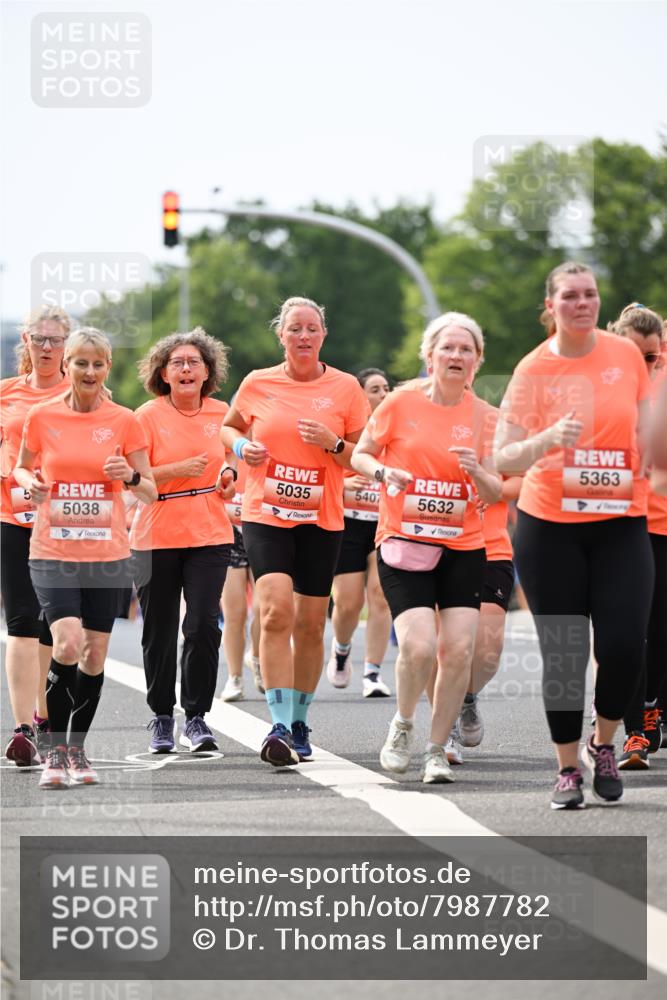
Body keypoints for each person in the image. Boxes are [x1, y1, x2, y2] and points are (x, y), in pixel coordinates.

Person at [494, 262, 653, 810]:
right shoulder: (533, 369)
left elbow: (647, 419)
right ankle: (566, 769)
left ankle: (603, 743)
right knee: (564, 653)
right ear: (551, 305)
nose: (582, 303)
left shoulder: (625, 354)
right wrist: (546, 439)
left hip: (620, 522)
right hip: (550, 526)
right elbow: (504, 454)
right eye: (570, 296)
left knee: (625, 646)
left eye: (589, 294)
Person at [351, 312, 501, 784]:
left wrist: (478, 473)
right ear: (429, 355)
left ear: (477, 361)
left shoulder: (486, 418)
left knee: (457, 650)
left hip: (464, 545)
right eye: (448, 348)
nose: (456, 356)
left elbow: (496, 491)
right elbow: (360, 452)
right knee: (419, 645)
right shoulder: (399, 402)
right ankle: (403, 724)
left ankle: (437, 748)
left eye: (466, 350)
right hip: (404, 541)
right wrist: (382, 473)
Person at [221, 296, 369, 765]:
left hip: (321, 519)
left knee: (309, 623)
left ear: (323, 335)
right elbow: (227, 428)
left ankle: (301, 719)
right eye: (294, 329)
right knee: (273, 613)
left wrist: (334, 443)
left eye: (311, 328)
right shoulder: (258, 382)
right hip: (266, 514)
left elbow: (361, 457)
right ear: (281, 335)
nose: (303, 336)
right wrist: (242, 447)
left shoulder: (346, 389)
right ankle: (279, 723)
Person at [14, 328, 156, 788]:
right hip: (52, 550)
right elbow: (20, 464)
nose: (89, 371)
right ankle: (54, 751)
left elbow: (151, 490)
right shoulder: (41, 416)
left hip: (108, 555)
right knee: (68, 642)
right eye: (81, 363)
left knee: (94, 655)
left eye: (97, 364)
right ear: (67, 365)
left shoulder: (125, 420)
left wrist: (130, 475)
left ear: (107, 368)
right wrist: (29, 482)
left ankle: (76, 749)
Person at [130, 328, 236, 753]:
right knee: (158, 629)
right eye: (178, 363)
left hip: (210, 531)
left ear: (208, 370)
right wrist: (177, 470)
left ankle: (196, 718)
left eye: (195, 362)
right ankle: (160, 716)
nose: (187, 368)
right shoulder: (145, 416)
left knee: (203, 625)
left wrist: (230, 476)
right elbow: (133, 481)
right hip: (155, 533)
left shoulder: (223, 413)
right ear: (164, 373)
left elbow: (232, 462)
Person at [1, 306, 70, 766]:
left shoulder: (83, 394)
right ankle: (23, 728)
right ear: (25, 341)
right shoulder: (5, 394)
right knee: (21, 624)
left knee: (55, 631)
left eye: (55, 340)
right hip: (12, 518)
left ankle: (45, 715)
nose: (46, 348)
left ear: (66, 345)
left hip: (66, 524)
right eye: (39, 339)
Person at [606, 304, 667, 768]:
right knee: (628, 634)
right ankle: (633, 730)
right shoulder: (599, 385)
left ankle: (651, 709)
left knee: (658, 628)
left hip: (662, 523)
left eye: (651, 354)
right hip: (622, 526)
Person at [326, 367, 393, 697]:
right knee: (349, 603)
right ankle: (341, 649)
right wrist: (342, 482)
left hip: (384, 523)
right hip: (348, 523)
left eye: (386, 388)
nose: (383, 394)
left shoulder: (395, 428)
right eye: (375, 389)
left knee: (381, 595)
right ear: (360, 395)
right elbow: (322, 472)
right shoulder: (344, 432)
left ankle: (373, 672)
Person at [219, 458, 263, 701]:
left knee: (264, 607)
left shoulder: (269, 441)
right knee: (234, 613)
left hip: (262, 529)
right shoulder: (223, 444)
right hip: (229, 532)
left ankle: (256, 656)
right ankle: (234, 677)